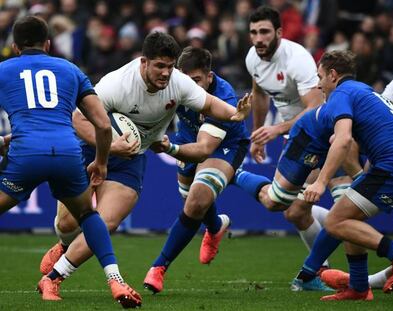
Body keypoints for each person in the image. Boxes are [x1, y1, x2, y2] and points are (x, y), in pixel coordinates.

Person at [38, 32, 251, 295]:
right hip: (91, 149)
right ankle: (64, 244)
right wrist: (110, 147)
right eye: (159, 66)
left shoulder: (179, 84)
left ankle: (53, 278)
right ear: (144, 62)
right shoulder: (116, 84)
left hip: (131, 159)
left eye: (170, 67)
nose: (165, 73)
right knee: (68, 224)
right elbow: (78, 119)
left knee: (106, 223)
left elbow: (210, 103)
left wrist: (235, 114)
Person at [0, 16, 141, 307]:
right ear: (48, 44)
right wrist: (101, 162)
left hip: (25, 157)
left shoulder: (3, 70)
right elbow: (102, 126)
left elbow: (31, 120)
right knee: (89, 217)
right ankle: (115, 280)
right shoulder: (70, 70)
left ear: (15, 47)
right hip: (67, 155)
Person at [233, 5, 353, 285]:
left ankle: (337, 274)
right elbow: (259, 92)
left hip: (320, 131)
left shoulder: (296, 58)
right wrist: (259, 132)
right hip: (296, 136)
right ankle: (323, 272)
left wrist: (277, 129)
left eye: (264, 32)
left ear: (278, 32)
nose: (258, 38)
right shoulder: (253, 57)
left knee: (297, 207)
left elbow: (314, 108)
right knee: (294, 210)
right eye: (253, 32)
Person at [294, 50, 393, 301]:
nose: (318, 84)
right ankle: (359, 286)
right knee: (345, 217)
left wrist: (321, 181)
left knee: (336, 220)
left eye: (320, 77)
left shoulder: (341, 94)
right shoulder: (362, 90)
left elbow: (343, 139)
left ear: (333, 75)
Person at [142, 46, 250, 293]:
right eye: (187, 80)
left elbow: (204, 149)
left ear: (209, 77)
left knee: (196, 201)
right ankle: (215, 226)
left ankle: (158, 268)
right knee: (190, 197)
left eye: (197, 80)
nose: (192, 86)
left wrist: (169, 149)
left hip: (224, 145)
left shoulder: (223, 96)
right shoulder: (173, 84)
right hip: (189, 136)